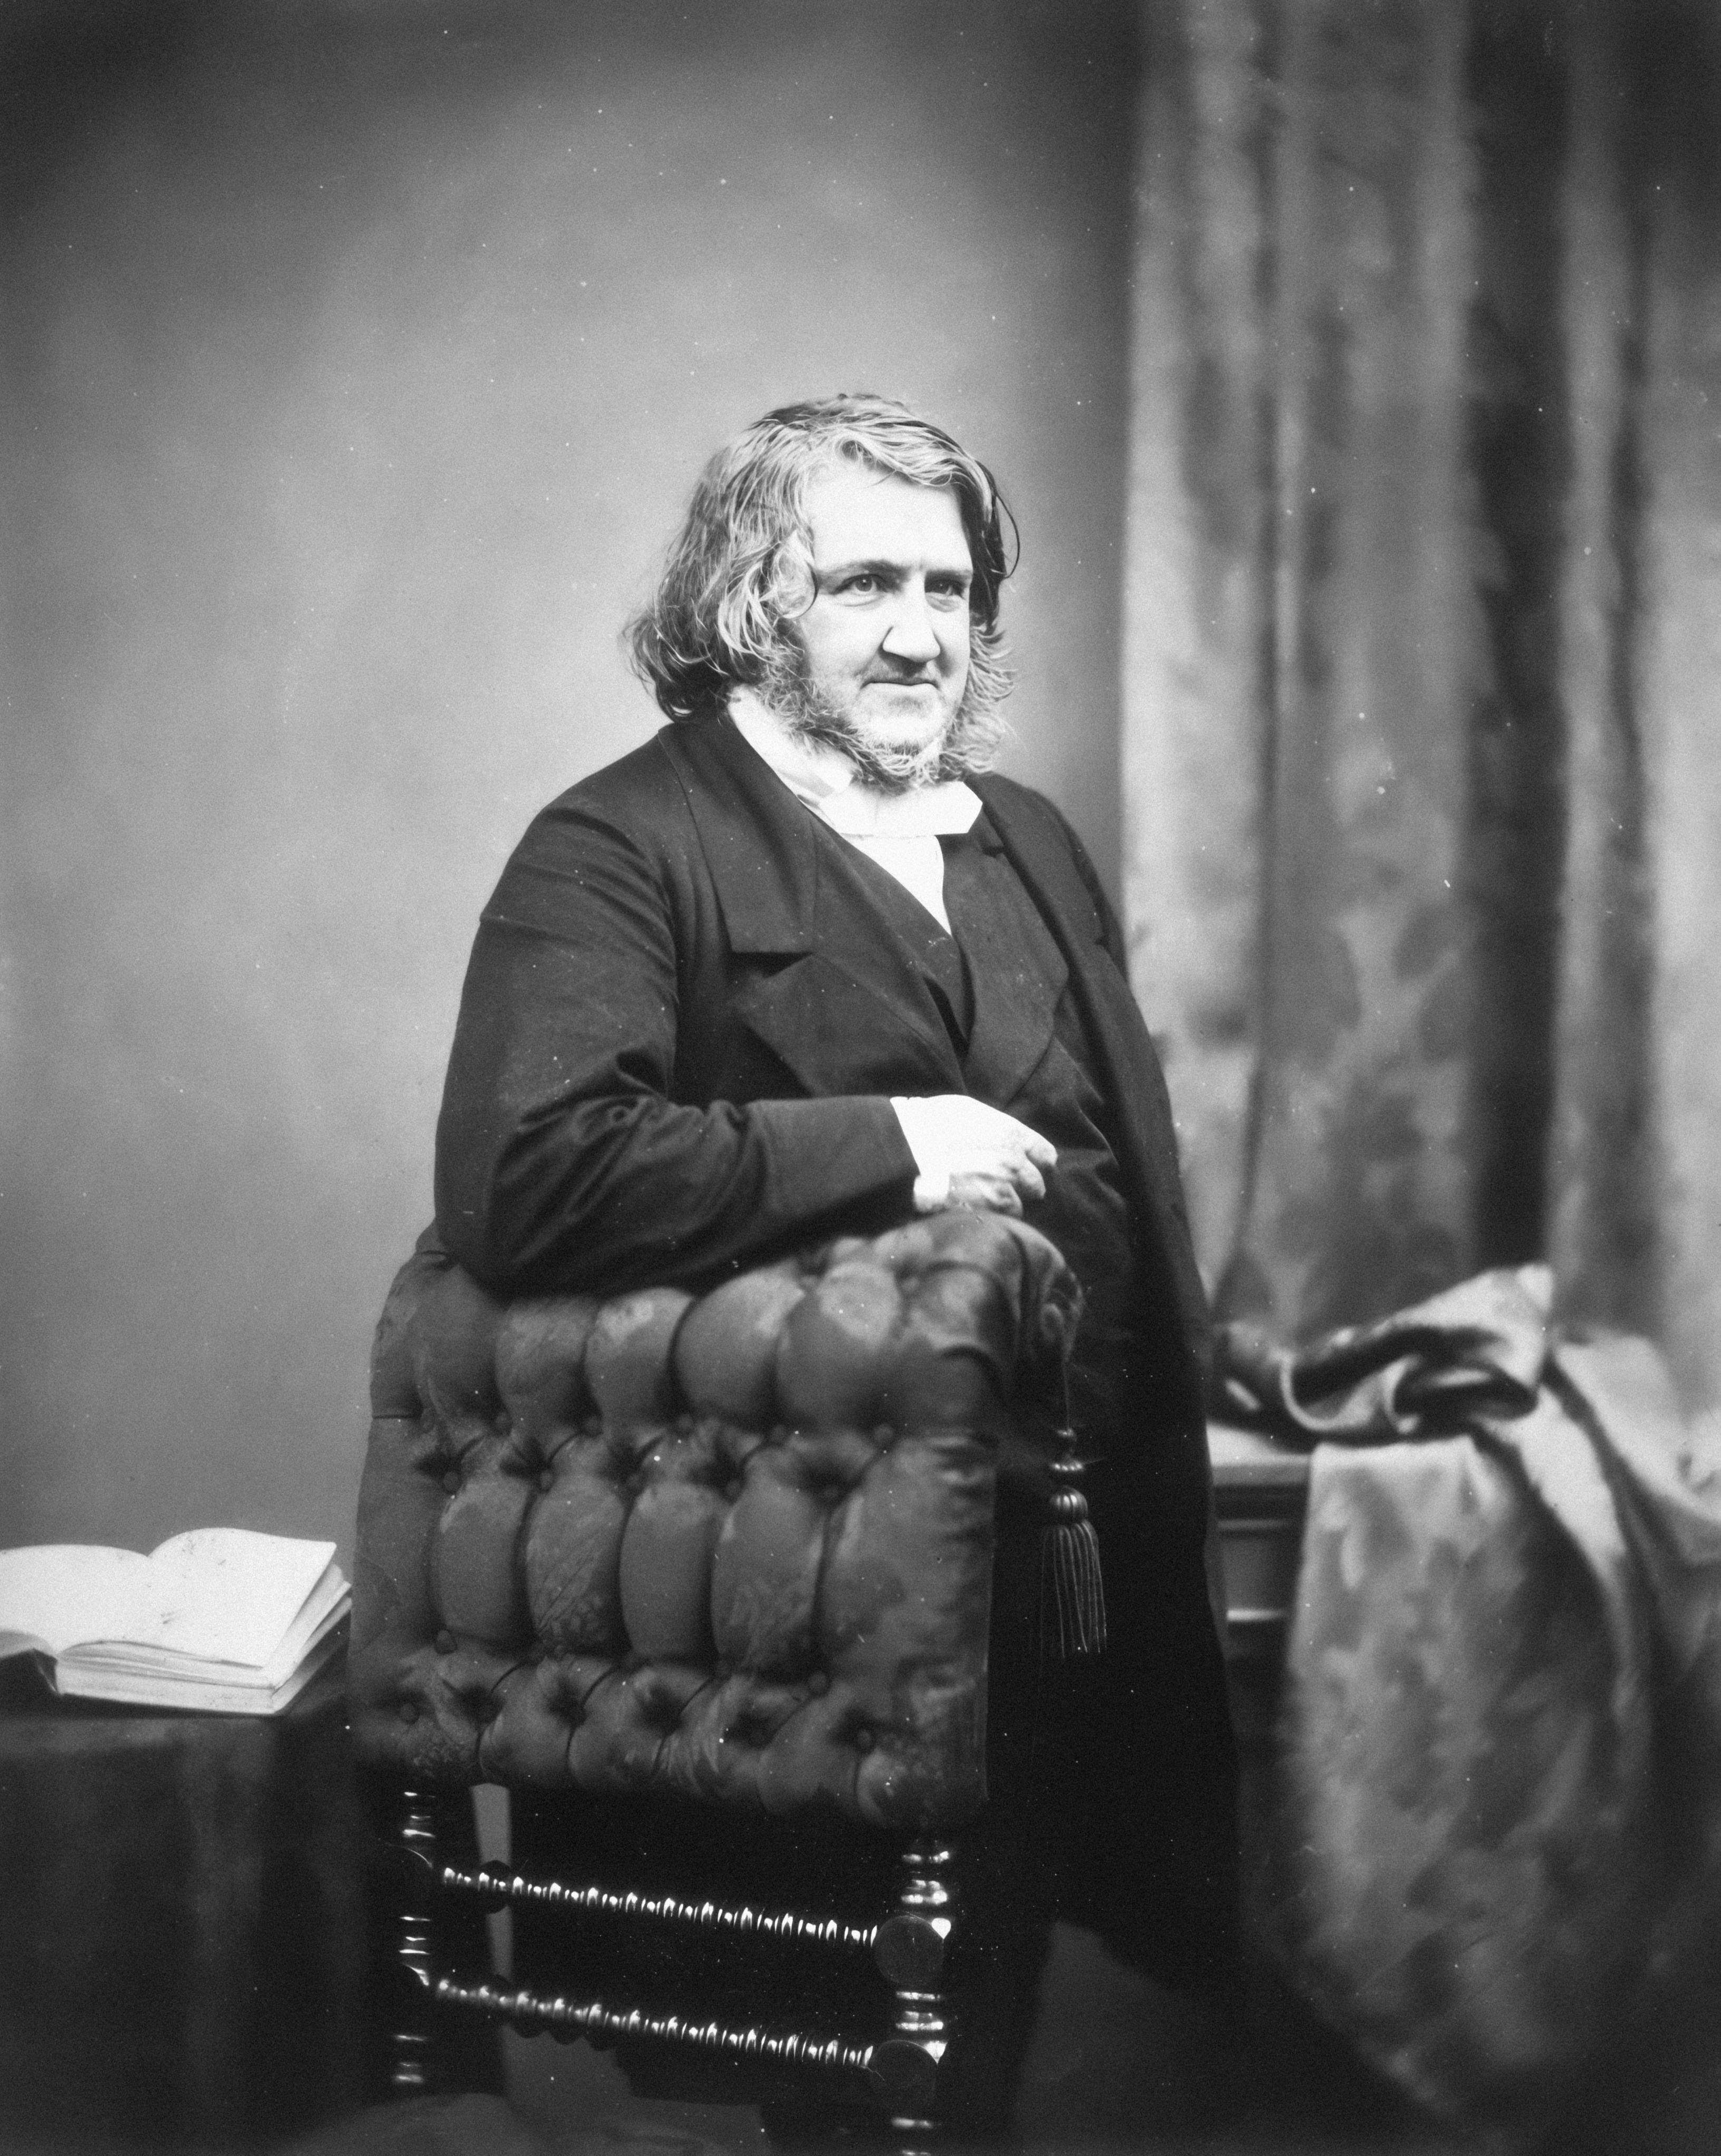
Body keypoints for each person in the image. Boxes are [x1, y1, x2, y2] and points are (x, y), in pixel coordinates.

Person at [433, 393, 1239, 2079]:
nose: (921, 634)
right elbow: (524, 1178)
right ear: (750, 603)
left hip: (1047, 1580)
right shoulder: (620, 848)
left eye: (949, 590)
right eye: (865, 584)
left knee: (974, 2051)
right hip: (775, 1612)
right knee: (783, 2074)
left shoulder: (1021, 839)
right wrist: (892, 1145)